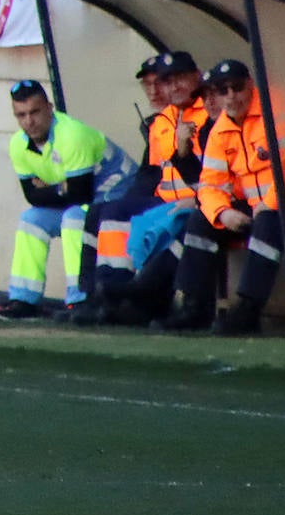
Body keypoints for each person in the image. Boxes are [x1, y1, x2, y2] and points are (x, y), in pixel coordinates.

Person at [153, 60, 285, 335]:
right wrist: (221, 212)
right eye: (222, 90)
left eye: (237, 88)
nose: (230, 96)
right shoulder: (221, 128)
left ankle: (248, 310)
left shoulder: (276, 114)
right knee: (202, 219)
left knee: (267, 222)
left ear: (250, 85)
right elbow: (209, 183)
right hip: (254, 206)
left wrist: (268, 205)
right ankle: (194, 307)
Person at [72, 51, 207, 325]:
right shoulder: (163, 121)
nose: (174, 86)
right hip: (164, 200)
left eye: (181, 78)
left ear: (197, 77)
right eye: (168, 81)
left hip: (197, 201)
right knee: (109, 210)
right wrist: (130, 205)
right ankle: (105, 293)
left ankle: (136, 297)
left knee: (175, 221)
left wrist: (198, 198)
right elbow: (151, 173)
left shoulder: (209, 114)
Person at [0, 79, 138, 320]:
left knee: (74, 217)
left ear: (50, 108)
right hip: (86, 197)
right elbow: (32, 197)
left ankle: (81, 297)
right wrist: (63, 189)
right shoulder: (17, 145)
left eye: (35, 112)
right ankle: (23, 299)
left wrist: (53, 189)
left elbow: (79, 194)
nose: (28, 122)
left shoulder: (72, 135)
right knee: (31, 219)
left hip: (121, 192)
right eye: (20, 115)